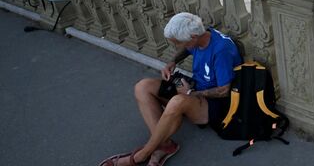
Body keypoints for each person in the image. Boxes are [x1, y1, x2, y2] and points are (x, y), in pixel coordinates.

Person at [100, 13, 242, 166]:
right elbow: (188, 49)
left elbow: (224, 90)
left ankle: (140, 156)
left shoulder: (221, 50)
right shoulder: (200, 35)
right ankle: (164, 146)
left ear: (193, 37)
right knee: (142, 87)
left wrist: (190, 93)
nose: (176, 46)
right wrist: (172, 62)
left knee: (176, 102)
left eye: (177, 43)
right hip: (193, 88)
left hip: (214, 103)